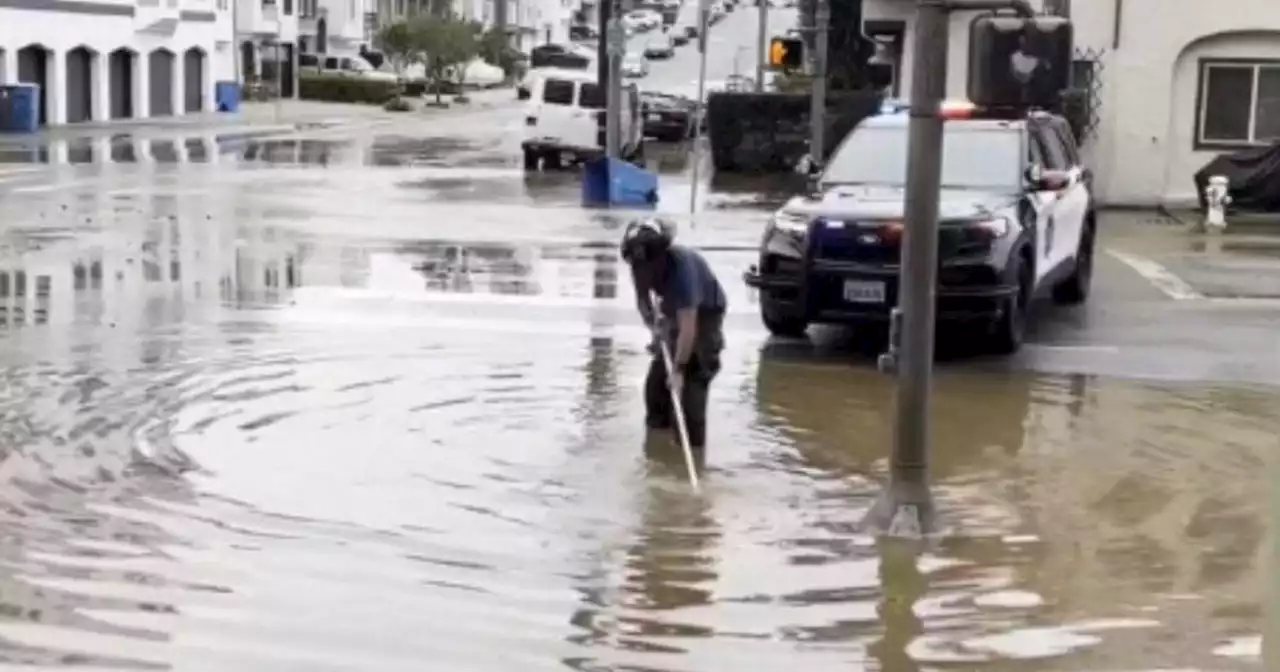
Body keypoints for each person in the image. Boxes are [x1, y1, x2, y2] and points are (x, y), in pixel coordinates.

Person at [619, 218, 727, 458]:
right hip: (671, 311)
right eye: (636, 264)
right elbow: (643, 300)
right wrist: (654, 329)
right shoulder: (638, 265)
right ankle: (658, 454)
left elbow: (689, 327)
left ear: (661, 255)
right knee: (656, 388)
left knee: (692, 382)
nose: (641, 270)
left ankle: (694, 455)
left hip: (705, 313)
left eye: (646, 263)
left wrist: (678, 369)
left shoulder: (682, 270)